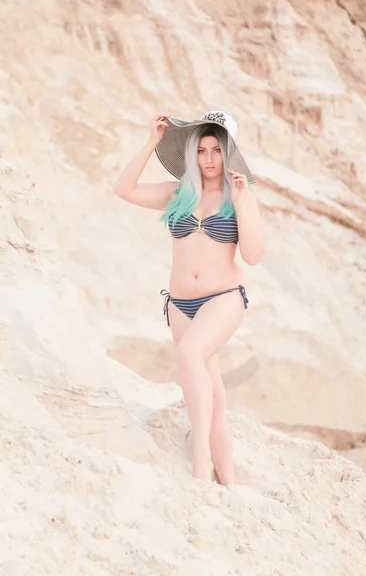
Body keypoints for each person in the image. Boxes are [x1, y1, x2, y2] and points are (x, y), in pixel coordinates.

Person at [113, 110, 264, 485]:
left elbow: (254, 255)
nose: (209, 160)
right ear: (193, 154)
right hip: (180, 305)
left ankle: (201, 464)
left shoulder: (240, 197)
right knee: (213, 396)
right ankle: (228, 482)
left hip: (223, 298)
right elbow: (124, 189)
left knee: (189, 355)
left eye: (217, 151)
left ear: (229, 154)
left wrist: (243, 203)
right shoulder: (178, 192)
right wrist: (152, 142)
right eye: (202, 151)